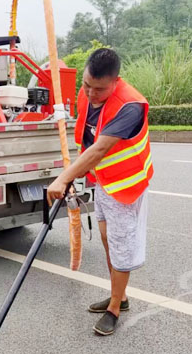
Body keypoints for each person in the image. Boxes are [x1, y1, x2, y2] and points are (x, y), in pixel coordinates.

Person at [47, 48, 153, 336]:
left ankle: (115, 308)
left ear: (116, 81)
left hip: (126, 186)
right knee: (108, 239)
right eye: (86, 85)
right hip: (104, 181)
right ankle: (120, 294)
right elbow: (87, 137)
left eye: (100, 89)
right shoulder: (88, 94)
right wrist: (79, 175)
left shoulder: (129, 105)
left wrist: (64, 178)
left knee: (120, 246)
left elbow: (101, 147)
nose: (91, 94)